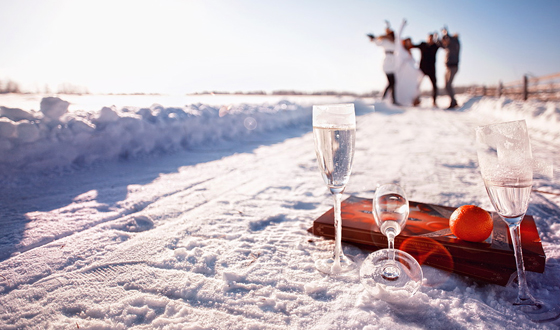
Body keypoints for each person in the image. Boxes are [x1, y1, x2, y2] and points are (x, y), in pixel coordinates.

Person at [393, 20, 423, 106]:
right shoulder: (400, 49)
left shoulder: (410, 52)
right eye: (407, 41)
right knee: (400, 87)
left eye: (410, 42)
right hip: (402, 72)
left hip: (411, 73)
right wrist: (403, 25)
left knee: (413, 86)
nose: (408, 43)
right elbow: (398, 36)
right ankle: (398, 102)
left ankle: (414, 100)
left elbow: (414, 62)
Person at [368, 25, 398, 105]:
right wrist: (373, 38)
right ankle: (385, 99)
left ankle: (389, 99)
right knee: (391, 82)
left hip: (393, 64)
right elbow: (377, 43)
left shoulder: (395, 42)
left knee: (393, 82)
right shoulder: (385, 41)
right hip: (387, 63)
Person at [412, 33, 440, 107]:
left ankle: (434, 101)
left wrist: (437, 38)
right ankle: (415, 99)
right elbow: (413, 46)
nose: (430, 39)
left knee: (434, 86)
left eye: (432, 38)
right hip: (422, 69)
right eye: (429, 38)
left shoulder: (435, 46)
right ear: (427, 38)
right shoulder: (423, 44)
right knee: (417, 85)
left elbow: (441, 44)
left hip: (431, 70)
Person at [439, 27, 460, 109]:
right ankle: (453, 101)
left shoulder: (455, 43)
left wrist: (446, 33)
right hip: (448, 67)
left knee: (448, 85)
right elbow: (441, 45)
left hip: (453, 67)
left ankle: (453, 102)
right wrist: (437, 38)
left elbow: (451, 40)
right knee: (446, 85)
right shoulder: (447, 46)